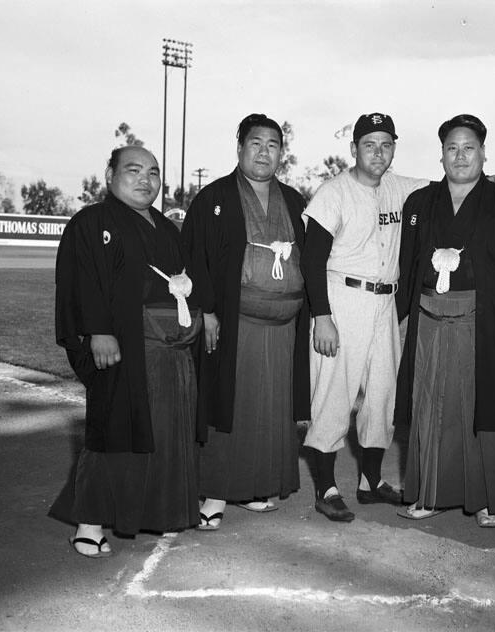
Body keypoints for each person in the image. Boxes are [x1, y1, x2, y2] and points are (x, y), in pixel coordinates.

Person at [301, 112, 495, 522]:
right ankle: (326, 486)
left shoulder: (401, 189)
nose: (378, 153)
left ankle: (369, 481)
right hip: (343, 299)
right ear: (354, 149)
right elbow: (312, 259)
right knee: (334, 395)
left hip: (385, 302)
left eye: (386, 145)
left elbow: (456, 183)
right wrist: (322, 316)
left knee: (383, 395)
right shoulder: (334, 191)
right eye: (370, 144)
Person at [50, 146, 202, 557]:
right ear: (110, 174)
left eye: (153, 173)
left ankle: (154, 512)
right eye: (133, 170)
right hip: (119, 348)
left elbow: (184, 284)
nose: (145, 180)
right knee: (112, 431)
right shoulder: (92, 222)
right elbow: (81, 281)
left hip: (166, 353)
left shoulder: (167, 229)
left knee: (162, 434)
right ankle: (90, 522)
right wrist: (98, 331)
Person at [394, 114, 495, 526]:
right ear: (441, 155)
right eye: (452, 148)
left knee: (481, 407)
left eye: (469, 147)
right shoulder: (420, 203)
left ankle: (491, 499)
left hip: (481, 321)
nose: (460, 155)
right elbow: (407, 266)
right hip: (429, 319)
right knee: (431, 404)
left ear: (484, 153)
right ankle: (429, 493)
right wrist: (400, 321)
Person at [181, 113, 309, 530]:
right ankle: (216, 493)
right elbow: (194, 257)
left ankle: (255, 487)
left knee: (272, 412)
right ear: (239, 148)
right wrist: (209, 311)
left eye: (273, 145)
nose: (264, 152)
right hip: (236, 324)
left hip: (284, 327)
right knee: (228, 408)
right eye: (256, 143)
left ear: (281, 154)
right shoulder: (213, 198)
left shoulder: (293, 200)